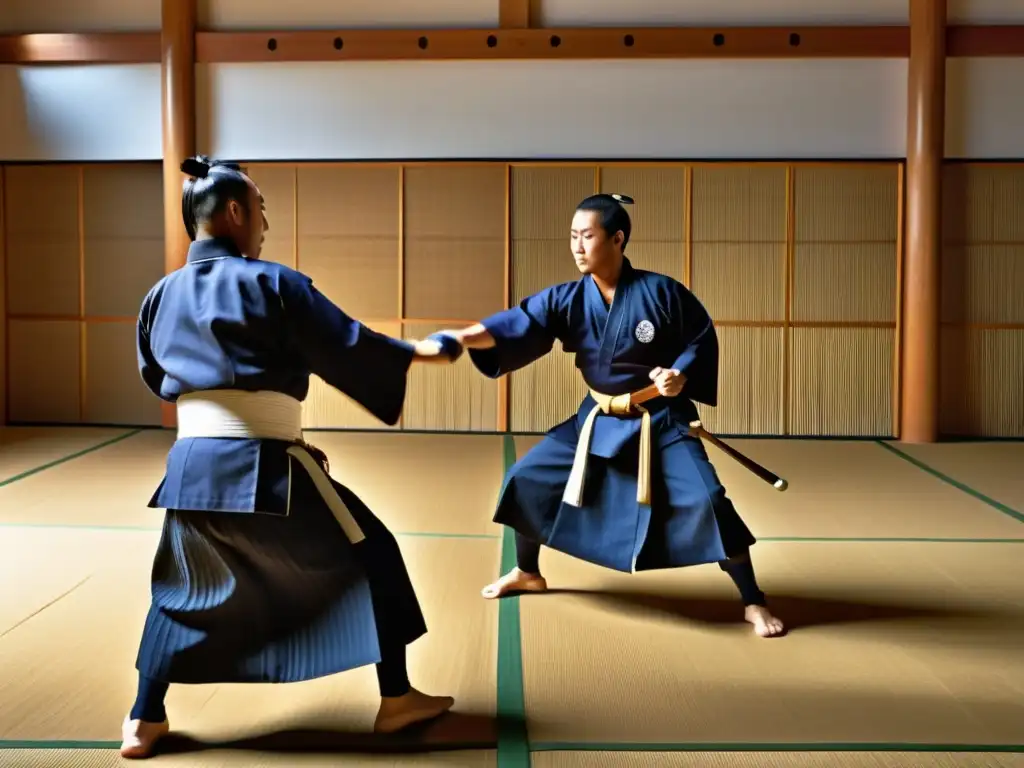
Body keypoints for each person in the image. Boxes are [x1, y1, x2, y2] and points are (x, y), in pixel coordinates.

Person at [121, 156, 462, 759]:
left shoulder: (158, 296)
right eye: (261, 211)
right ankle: (397, 698)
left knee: (180, 586)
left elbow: (159, 377)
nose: (264, 225)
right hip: (266, 470)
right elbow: (347, 343)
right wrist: (424, 353)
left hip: (192, 468)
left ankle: (145, 718)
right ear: (233, 213)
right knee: (374, 551)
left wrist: (266, 427)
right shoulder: (271, 282)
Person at [441, 193, 785, 639]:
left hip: (660, 419)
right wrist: (466, 337)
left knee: (710, 501)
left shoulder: (661, 292)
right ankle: (527, 571)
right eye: (572, 237)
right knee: (525, 478)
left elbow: (698, 339)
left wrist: (678, 374)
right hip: (598, 418)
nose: (577, 247)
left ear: (617, 238)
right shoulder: (566, 299)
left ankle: (752, 599)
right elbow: (518, 322)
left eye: (587, 236)